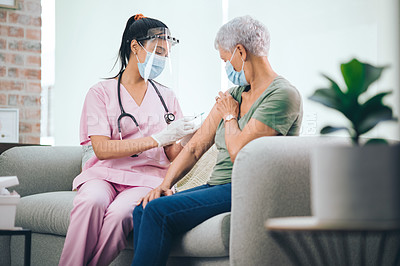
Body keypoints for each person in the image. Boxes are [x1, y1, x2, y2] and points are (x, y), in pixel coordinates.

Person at [131, 15, 303, 265]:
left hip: (247, 188)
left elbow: (241, 154)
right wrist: (163, 186)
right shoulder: (235, 94)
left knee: (157, 212)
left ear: (241, 52)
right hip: (217, 185)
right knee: (146, 206)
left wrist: (231, 116)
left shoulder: (282, 95)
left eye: (225, 60)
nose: (226, 68)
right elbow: (195, 147)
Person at [59, 14, 196, 266]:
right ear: (135, 47)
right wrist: (156, 138)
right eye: (157, 51)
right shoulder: (100, 93)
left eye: (166, 53)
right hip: (105, 175)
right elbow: (101, 149)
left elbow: (173, 154)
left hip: (147, 179)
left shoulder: (167, 97)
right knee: (90, 202)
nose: (163, 59)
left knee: (120, 215)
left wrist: (185, 140)